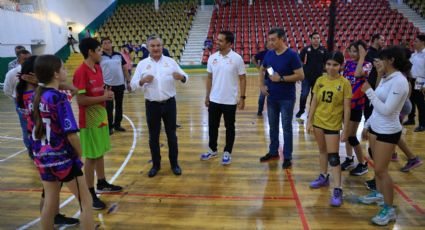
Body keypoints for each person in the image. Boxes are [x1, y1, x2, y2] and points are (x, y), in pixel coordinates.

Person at [29, 55, 94, 229]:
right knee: (86, 202)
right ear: (55, 74)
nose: (66, 71)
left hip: (42, 157)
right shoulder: (58, 98)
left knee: (50, 202)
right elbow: (72, 135)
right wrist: (80, 154)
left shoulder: (34, 96)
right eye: (63, 68)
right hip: (62, 159)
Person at [358, 46, 410, 226]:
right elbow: (377, 109)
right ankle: (379, 195)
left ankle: (389, 209)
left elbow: (387, 111)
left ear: (391, 60)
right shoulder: (386, 78)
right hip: (376, 128)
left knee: (381, 170)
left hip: (388, 131)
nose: (377, 63)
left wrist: (369, 92)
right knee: (377, 167)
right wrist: (367, 124)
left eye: (380, 60)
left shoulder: (400, 82)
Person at [73, 38, 123, 210]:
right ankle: (90, 192)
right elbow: (80, 99)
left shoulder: (98, 68)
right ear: (90, 52)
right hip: (89, 120)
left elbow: (99, 89)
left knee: (100, 152)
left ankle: (101, 182)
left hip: (101, 117)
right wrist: (103, 97)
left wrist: (106, 92)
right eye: (99, 50)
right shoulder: (81, 72)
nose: (102, 52)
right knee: (92, 157)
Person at [130, 35, 188, 177]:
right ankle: (156, 165)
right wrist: (142, 81)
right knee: (153, 137)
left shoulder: (171, 62)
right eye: (153, 46)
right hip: (152, 106)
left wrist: (181, 77)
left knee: (172, 136)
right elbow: (132, 85)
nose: (156, 48)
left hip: (169, 105)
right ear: (148, 47)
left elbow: (185, 77)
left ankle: (174, 164)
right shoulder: (142, 64)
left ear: (162, 46)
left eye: (158, 45)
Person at [307, 51, 351, 207]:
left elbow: (347, 108)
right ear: (325, 65)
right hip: (319, 121)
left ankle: (338, 188)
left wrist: (345, 130)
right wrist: (309, 121)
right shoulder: (320, 80)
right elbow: (314, 102)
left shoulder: (345, 83)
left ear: (341, 66)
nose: (331, 68)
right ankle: (323, 177)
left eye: (335, 65)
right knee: (322, 151)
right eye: (328, 64)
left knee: (334, 157)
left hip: (333, 124)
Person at [258, 28, 304, 168]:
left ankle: (287, 156)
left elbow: (301, 76)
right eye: (269, 40)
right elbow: (262, 69)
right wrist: (261, 85)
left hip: (287, 98)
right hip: (272, 97)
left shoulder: (292, 55)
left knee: (286, 127)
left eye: (273, 40)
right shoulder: (269, 54)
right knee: (272, 127)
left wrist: (281, 78)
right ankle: (273, 152)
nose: (270, 42)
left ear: (281, 39)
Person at [200, 31, 246, 165]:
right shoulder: (212, 57)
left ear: (229, 43)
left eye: (220, 41)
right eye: (217, 40)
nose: (217, 42)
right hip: (214, 100)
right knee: (212, 126)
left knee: (229, 127)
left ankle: (227, 152)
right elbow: (209, 77)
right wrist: (207, 95)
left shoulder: (237, 58)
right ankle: (212, 149)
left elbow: (242, 78)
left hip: (230, 101)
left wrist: (242, 97)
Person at [340, 40, 372, 176]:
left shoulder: (367, 64)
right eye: (351, 51)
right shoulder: (347, 63)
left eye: (356, 51)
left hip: (357, 104)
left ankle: (363, 164)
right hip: (345, 104)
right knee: (346, 134)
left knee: (352, 136)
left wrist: (363, 57)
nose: (352, 54)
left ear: (363, 52)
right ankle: (349, 158)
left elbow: (358, 74)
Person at [3, 49, 32, 158]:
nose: (28, 61)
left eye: (29, 58)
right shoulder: (12, 73)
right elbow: (7, 90)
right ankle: (31, 150)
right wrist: (16, 99)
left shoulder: (36, 71)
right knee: (25, 126)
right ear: (19, 60)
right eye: (25, 59)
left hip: (35, 101)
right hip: (20, 103)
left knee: (38, 125)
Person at [100, 37, 132, 135]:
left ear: (111, 44)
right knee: (109, 107)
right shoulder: (100, 56)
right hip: (107, 86)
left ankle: (117, 124)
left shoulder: (118, 55)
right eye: (104, 43)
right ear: (102, 45)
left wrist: (128, 81)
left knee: (119, 106)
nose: (107, 45)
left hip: (119, 84)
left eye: (108, 43)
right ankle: (109, 126)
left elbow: (124, 68)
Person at [296, 32, 328, 119]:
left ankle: (311, 112)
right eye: (314, 38)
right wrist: (302, 70)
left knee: (315, 97)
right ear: (310, 39)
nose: (316, 40)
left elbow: (327, 63)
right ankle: (301, 110)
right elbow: (299, 61)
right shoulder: (306, 50)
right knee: (304, 95)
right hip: (306, 77)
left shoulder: (324, 50)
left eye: (318, 38)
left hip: (318, 78)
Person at [404, 34, 425, 132]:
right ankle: (411, 119)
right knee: (411, 100)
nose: (414, 43)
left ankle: (422, 124)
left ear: (422, 42)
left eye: (416, 41)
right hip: (411, 80)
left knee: (420, 103)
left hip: (420, 81)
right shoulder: (414, 54)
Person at [252, 42, 270, 116]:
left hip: (275, 80)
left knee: (272, 98)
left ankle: (272, 112)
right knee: (262, 97)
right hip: (265, 78)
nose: (271, 44)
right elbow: (253, 58)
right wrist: (258, 67)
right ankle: (260, 111)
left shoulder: (277, 53)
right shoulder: (263, 53)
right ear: (266, 45)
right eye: (269, 43)